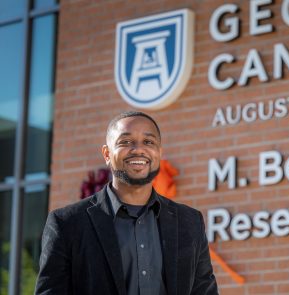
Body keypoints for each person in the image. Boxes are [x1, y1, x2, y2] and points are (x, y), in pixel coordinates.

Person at [35, 111, 218, 295]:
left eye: (148, 142)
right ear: (107, 154)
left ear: (159, 153)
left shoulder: (189, 221)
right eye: (125, 142)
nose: (138, 149)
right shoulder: (68, 223)